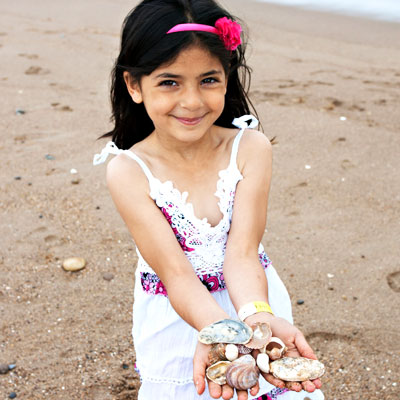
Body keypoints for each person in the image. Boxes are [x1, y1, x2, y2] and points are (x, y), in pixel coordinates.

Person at [93, 1, 324, 399]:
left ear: (227, 78)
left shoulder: (250, 149)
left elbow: (243, 252)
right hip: (178, 312)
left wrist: (257, 320)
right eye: (169, 82)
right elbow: (177, 275)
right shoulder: (129, 171)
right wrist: (220, 334)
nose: (192, 101)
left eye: (208, 80)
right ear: (134, 85)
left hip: (252, 293)